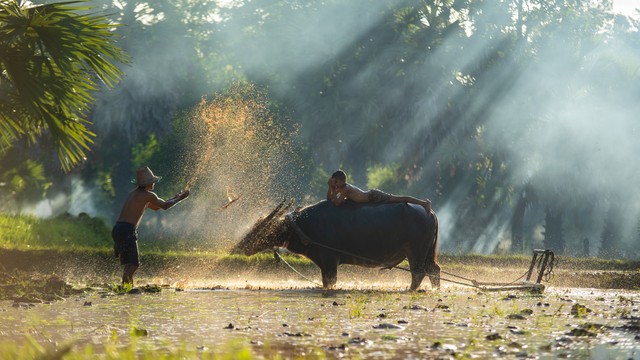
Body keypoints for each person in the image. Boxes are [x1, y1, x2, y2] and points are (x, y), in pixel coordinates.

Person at [112, 166, 190, 287]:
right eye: (152, 181)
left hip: (118, 229)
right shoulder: (148, 195)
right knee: (133, 265)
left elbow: (156, 206)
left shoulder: (135, 194)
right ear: (148, 183)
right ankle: (127, 290)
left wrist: (175, 197)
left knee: (129, 265)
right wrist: (180, 198)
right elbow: (164, 206)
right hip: (127, 229)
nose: (154, 183)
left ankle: (126, 290)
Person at [327, 169, 432, 213]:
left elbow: (337, 203)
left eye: (336, 182)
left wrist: (332, 188)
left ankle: (423, 203)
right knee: (397, 199)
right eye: (334, 182)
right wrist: (330, 187)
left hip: (373, 196)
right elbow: (329, 199)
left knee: (398, 199)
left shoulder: (346, 188)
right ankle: (423, 203)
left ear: (342, 180)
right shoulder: (340, 188)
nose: (335, 184)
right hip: (371, 197)